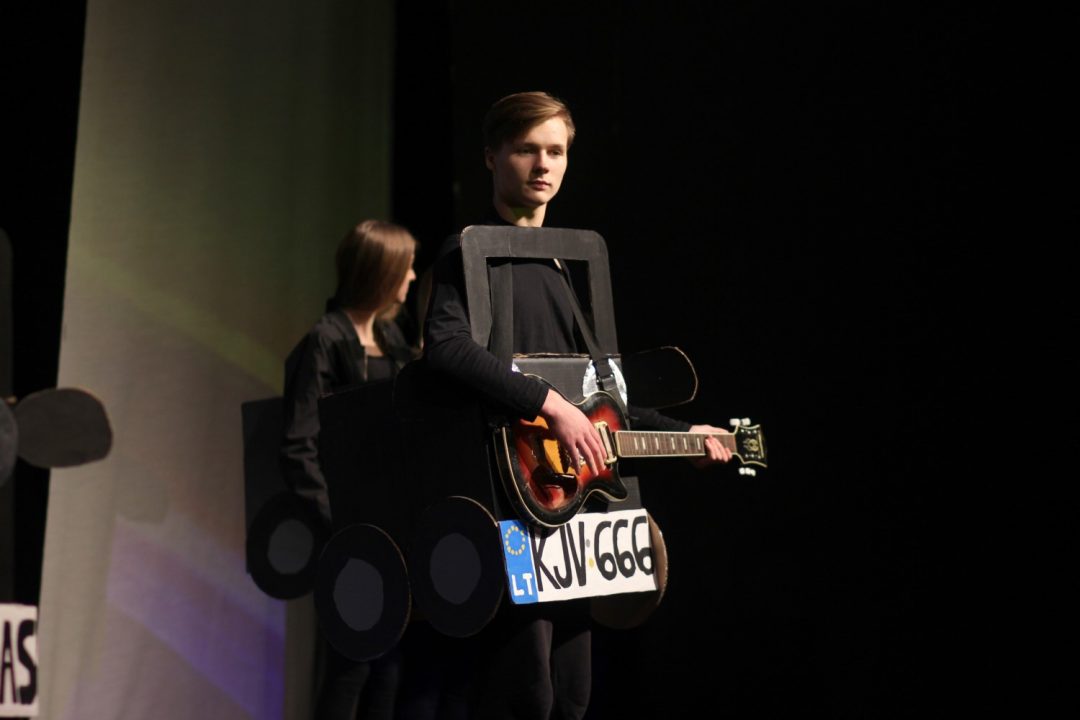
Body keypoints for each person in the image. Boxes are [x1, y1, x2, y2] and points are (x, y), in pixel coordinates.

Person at [421, 91, 733, 719]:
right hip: (510, 502)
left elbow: (601, 399)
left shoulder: (566, 263)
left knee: (572, 695)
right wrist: (550, 405)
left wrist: (687, 434)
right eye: (527, 149)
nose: (544, 165)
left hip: (572, 509)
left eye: (556, 151)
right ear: (492, 157)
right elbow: (446, 346)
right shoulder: (469, 252)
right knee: (526, 694)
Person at [280, 219, 420, 720]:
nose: (412, 278)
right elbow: (298, 445)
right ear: (381, 272)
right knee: (351, 666)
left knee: (390, 669)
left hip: (394, 531)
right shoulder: (326, 340)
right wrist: (338, 527)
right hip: (350, 533)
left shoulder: (393, 339)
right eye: (405, 268)